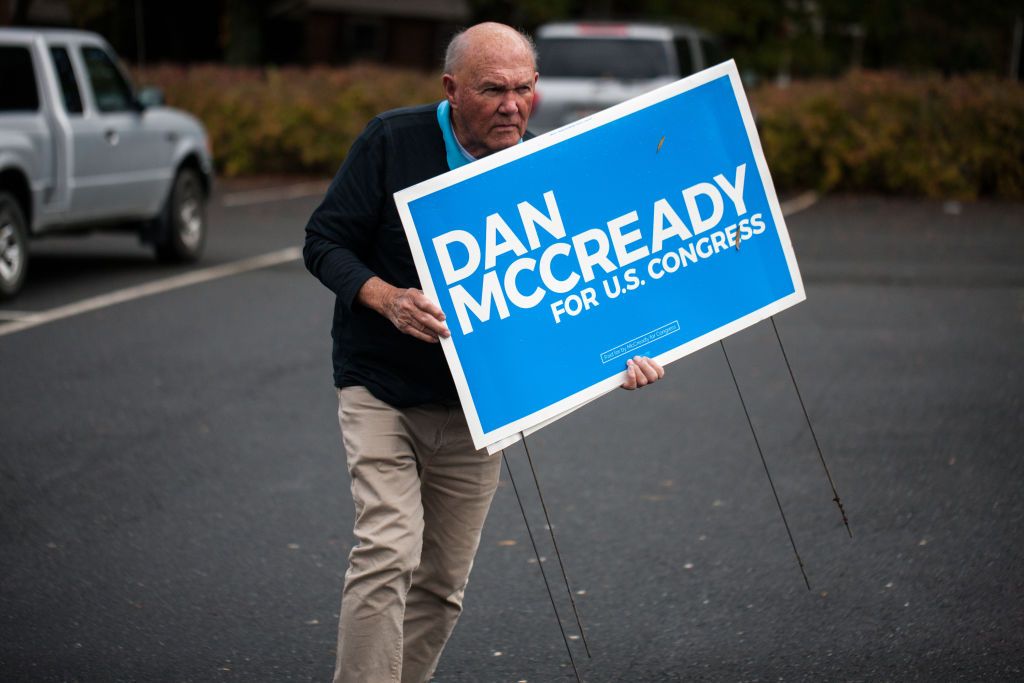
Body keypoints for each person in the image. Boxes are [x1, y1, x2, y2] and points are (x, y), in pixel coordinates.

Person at [303, 22, 665, 683]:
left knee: (441, 583)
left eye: (524, 89)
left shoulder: (538, 167)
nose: (511, 105)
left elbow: (579, 288)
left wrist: (629, 353)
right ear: (451, 89)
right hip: (379, 386)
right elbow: (324, 242)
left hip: (478, 409)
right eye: (492, 89)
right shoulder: (393, 141)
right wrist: (385, 297)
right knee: (388, 550)